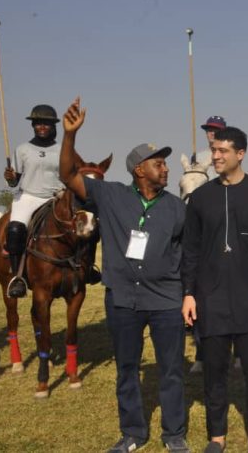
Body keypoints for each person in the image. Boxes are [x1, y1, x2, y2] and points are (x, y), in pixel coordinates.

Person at [59, 98, 189, 453]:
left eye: (165, 163)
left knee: (171, 369)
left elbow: (187, 255)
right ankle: (133, 433)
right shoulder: (111, 195)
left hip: (166, 300)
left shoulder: (177, 208)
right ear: (139, 170)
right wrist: (69, 136)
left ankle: (174, 434)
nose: (165, 168)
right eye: (158, 163)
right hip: (122, 300)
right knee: (127, 369)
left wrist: (188, 293)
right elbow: (68, 176)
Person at [180, 127, 248, 453]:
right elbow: (191, 249)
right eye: (214, 150)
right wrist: (189, 293)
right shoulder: (200, 197)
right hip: (211, 299)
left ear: (241, 153)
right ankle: (216, 435)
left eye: (223, 151)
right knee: (214, 373)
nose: (216, 156)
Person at [2, 104, 65, 298]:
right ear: (33, 125)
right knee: (14, 229)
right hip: (29, 196)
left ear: (54, 126)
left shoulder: (63, 149)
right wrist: (10, 177)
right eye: (38, 123)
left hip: (56, 197)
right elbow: (14, 182)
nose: (42, 127)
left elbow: (69, 175)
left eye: (46, 123)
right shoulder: (22, 149)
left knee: (83, 224)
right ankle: (17, 277)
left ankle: (86, 268)